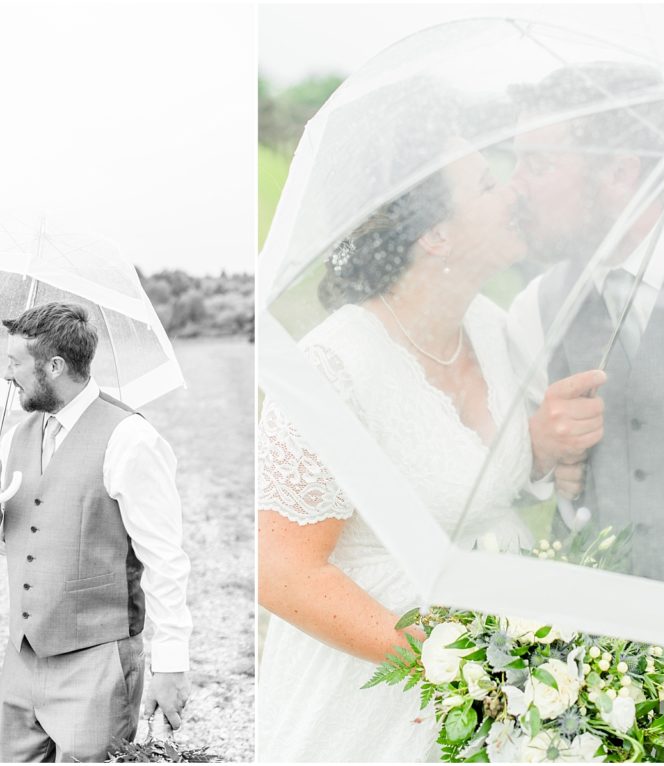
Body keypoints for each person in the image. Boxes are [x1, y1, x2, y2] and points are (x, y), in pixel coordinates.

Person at [257, 134, 603, 762]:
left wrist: (542, 450)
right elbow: (284, 572)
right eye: (488, 185)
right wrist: (460, 664)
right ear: (435, 236)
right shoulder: (335, 366)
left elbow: (474, 490)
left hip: (508, 692)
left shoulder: (493, 330)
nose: (514, 191)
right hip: (378, 702)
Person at [506, 61, 664, 762]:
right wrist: (543, 450)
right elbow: (527, 489)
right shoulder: (535, 308)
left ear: (620, 172)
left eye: (540, 163)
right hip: (591, 690)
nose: (516, 186)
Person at [0, 301, 192, 763]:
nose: (8, 375)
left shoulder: (130, 438)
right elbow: (23, 539)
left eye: (15, 363)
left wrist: (170, 665)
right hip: (22, 657)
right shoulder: (14, 438)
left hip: (98, 662)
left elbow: (165, 559)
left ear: (54, 366)